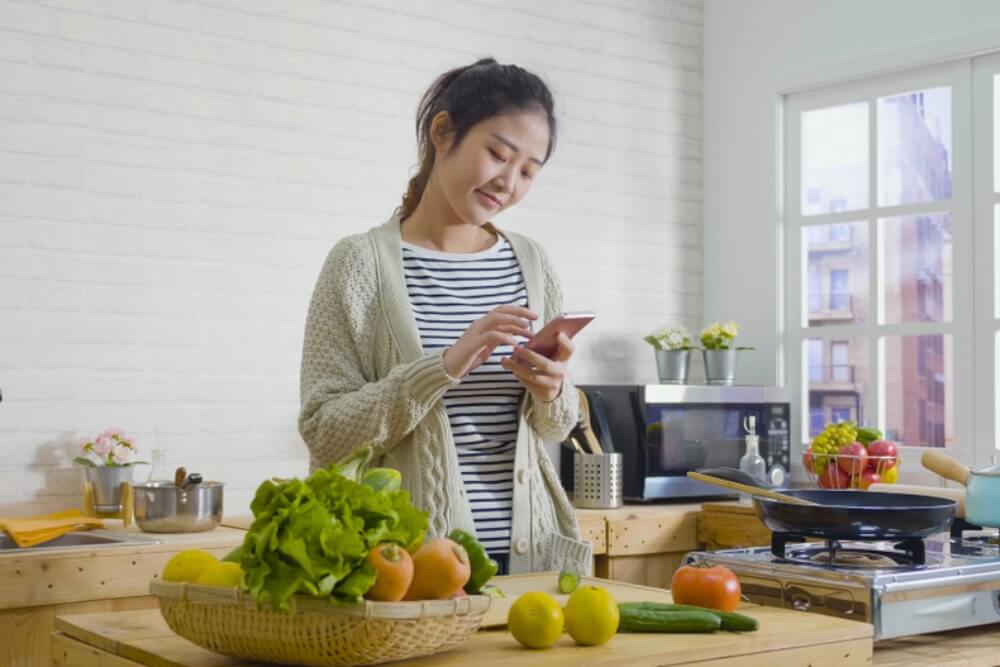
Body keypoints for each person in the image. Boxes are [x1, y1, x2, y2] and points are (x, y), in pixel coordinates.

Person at [298, 58, 590, 576]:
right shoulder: (358, 264)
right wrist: (443, 366)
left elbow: (557, 424)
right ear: (443, 131)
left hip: (532, 557)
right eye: (498, 154)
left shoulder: (532, 262)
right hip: (408, 568)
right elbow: (324, 430)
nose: (509, 182)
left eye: (528, 171)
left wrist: (552, 390)